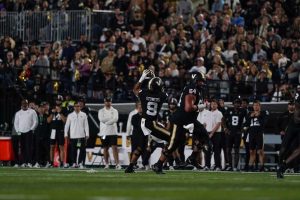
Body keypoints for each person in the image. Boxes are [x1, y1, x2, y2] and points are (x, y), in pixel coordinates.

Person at [153, 72, 206, 174]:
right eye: (200, 81)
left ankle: (192, 158)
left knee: (203, 136)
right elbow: (188, 108)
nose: (202, 83)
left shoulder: (197, 90)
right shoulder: (192, 89)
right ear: (195, 80)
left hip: (189, 120)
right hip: (181, 120)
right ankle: (158, 164)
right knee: (173, 144)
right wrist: (200, 107)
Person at [125, 70, 169, 173]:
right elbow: (160, 89)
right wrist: (154, 79)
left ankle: (130, 166)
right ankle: (159, 165)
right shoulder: (162, 96)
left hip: (143, 122)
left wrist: (142, 78)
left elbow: (135, 89)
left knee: (142, 146)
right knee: (172, 139)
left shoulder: (144, 93)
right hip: (152, 123)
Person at [277, 87, 300, 178]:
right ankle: (279, 165)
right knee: (283, 148)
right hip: (293, 125)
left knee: (298, 150)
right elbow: (297, 116)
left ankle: (283, 167)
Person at [243, 100, 269, 171]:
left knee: (260, 151)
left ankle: (262, 167)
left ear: (259, 106)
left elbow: (265, 123)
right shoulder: (250, 114)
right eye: (254, 105)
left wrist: (259, 116)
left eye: (257, 105)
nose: (255, 107)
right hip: (251, 133)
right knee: (251, 151)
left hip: (259, 133)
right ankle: (250, 167)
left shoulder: (264, 113)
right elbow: (245, 124)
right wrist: (250, 117)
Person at [98, 96, 121, 169]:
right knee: (105, 148)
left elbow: (116, 119)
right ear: (104, 102)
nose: (108, 103)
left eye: (109, 101)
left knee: (114, 148)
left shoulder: (115, 110)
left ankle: (117, 164)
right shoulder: (101, 111)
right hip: (103, 133)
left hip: (113, 132)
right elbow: (101, 119)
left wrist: (107, 122)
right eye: (106, 101)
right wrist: (110, 120)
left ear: (111, 102)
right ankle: (106, 164)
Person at [64, 101, 89, 168]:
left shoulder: (84, 115)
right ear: (74, 107)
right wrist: (66, 134)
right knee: (73, 151)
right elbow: (67, 126)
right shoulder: (70, 115)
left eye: (78, 106)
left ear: (80, 107)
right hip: (73, 136)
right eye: (75, 106)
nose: (77, 107)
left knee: (82, 150)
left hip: (81, 136)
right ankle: (74, 163)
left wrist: (87, 134)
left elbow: (86, 125)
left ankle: (81, 163)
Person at [14, 99, 38, 167]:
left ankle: (30, 162)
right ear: (21, 104)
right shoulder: (18, 113)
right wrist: (18, 131)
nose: (24, 105)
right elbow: (16, 123)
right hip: (21, 133)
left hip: (29, 132)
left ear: (27, 104)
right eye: (23, 103)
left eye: (25, 103)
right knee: (22, 148)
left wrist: (31, 129)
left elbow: (35, 121)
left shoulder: (32, 111)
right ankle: (23, 162)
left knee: (29, 148)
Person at [224, 98, 247, 171]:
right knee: (228, 150)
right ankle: (230, 166)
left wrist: (242, 130)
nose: (237, 104)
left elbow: (246, 121)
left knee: (236, 150)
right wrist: (225, 128)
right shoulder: (229, 110)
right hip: (230, 133)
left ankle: (235, 167)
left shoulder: (243, 111)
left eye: (238, 103)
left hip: (237, 133)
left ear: (240, 104)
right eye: (235, 103)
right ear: (233, 104)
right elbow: (223, 119)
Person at [47, 102, 67, 168]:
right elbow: (48, 121)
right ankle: (51, 162)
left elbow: (65, 121)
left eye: (59, 104)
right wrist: (53, 113)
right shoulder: (51, 110)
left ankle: (61, 162)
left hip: (60, 130)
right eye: (56, 104)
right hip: (53, 131)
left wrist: (60, 112)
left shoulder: (64, 110)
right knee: (52, 146)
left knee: (61, 147)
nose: (57, 106)